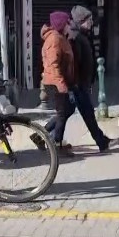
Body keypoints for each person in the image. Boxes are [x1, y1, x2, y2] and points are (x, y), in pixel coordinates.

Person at [62, 6, 111, 152]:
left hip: (81, 83)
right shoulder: (75, 37)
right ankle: (101, 141)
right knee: (86, 113)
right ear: (80, 21)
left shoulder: (81, 35)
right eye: (88, 20)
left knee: (67, 112)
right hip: (78, 84)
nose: (91, 23)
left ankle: (42, 134)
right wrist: (77, 83)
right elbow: (75, 63)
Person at [39, 11, 77, 155]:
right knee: (62, 113)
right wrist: (62, 85)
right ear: (62, 24)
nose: (70, 25)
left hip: (59, 81)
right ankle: (56, 145)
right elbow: (53, 65)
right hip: (54, 83)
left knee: (68, 110)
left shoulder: (60, 37)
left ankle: (39, 135)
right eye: (68, 22)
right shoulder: (54, 39)